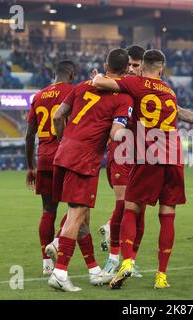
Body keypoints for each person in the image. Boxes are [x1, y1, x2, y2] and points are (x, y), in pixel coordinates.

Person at [93, 49, 193, 289]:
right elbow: (179, 112)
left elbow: (100, 82)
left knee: (131, 208)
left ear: (142, 66)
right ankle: (161, 277)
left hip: (148, 154)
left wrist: (97, 77)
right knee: (168, 215)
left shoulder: (135, 83)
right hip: (174, 156)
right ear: (161, 68)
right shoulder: (169, 91)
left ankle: (127, 262)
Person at [47, 48, 134, 292]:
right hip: (84, 159)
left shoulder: (82, 86)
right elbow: (116, 133)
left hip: (63, 154)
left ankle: (94, 269)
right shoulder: (123, 98)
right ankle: (60, 272)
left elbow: (57, 116)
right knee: (76, 215)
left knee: (83, 215)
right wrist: (134, 136)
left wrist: (65, 141)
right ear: (127, 68)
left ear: (106, 65)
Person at [99, 45, 147, 282]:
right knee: (123, 205)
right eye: (130, 64)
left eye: (136, 65)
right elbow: (98, 81)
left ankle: (132, 261)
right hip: (120, 149)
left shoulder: (147, 88)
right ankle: (113, 260)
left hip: (144, 152)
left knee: (141, 209)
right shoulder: (120, 86)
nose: (132, 69)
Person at [25, 60, 76, 275]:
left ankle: (46, 263)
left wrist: (31, 167)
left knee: (48, 210)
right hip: (67, 158)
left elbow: (29, 135)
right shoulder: (75, 92)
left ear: (55, 74)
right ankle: (55, 241)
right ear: (72, 74)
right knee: (78, 208)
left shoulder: (38, 97)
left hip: (44, 159)